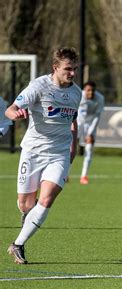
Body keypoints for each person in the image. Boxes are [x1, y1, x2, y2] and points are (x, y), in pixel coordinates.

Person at [5, 47, 82, 264]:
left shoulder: (76, 93)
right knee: (26, 205)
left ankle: (18, 244)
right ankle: (29, 214)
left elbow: (72, 124)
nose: (73, 74)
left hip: (59, 153)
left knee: (47, 199)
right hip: (33, 152)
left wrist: (72, 152)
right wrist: (17, 114)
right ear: (55, 68)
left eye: (75, 69)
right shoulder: (38, 86)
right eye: (68, 69)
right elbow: (10, 109)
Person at [77, 81, 104, 184]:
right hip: (78, 123)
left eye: (92, 90)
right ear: (84, 90)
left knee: (89, 149)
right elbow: (79, 114)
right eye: (88, 90)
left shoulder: (100, 98)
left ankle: (84, 176)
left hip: (90, 124)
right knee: (70, 148)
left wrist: (90, 133)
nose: (91, 92)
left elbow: (97, 116)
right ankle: (65, 175)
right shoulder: (78, 95)